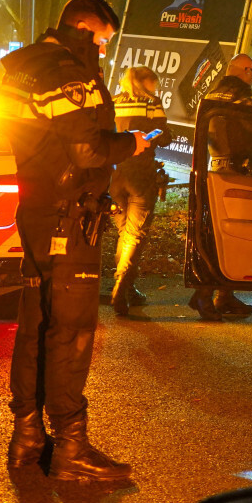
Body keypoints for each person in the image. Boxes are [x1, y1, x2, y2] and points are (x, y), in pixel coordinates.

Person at [0, 0, 150, 481]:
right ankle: (71, 446)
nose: (102, 52)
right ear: (84, 29)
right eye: (102, 42)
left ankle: (26, 436)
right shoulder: (69, 73)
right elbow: (86, 150)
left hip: (36, 211)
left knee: (35, 325)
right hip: (70, 216)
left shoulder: (24, 69)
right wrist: (131, 143)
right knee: (73, 330)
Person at [189, 53, 252, 320]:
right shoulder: (242, 92)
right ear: (245, 71)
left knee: (221, 234)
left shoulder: (215, 91)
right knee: (236, 236)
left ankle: (223, 296)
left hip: (216, 167)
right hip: (238, 170)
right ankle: (206, 295)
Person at [108, 66, 172, 316]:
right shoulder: (150, 103)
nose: (155, 88)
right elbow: (162, 135)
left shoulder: (113, 102)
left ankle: (129, 288)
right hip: (140, 173)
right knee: (135, 234)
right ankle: (120, 290)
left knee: (124, 232)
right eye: (153, 83)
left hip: (114, 175)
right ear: (145, 82)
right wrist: (158, 136)